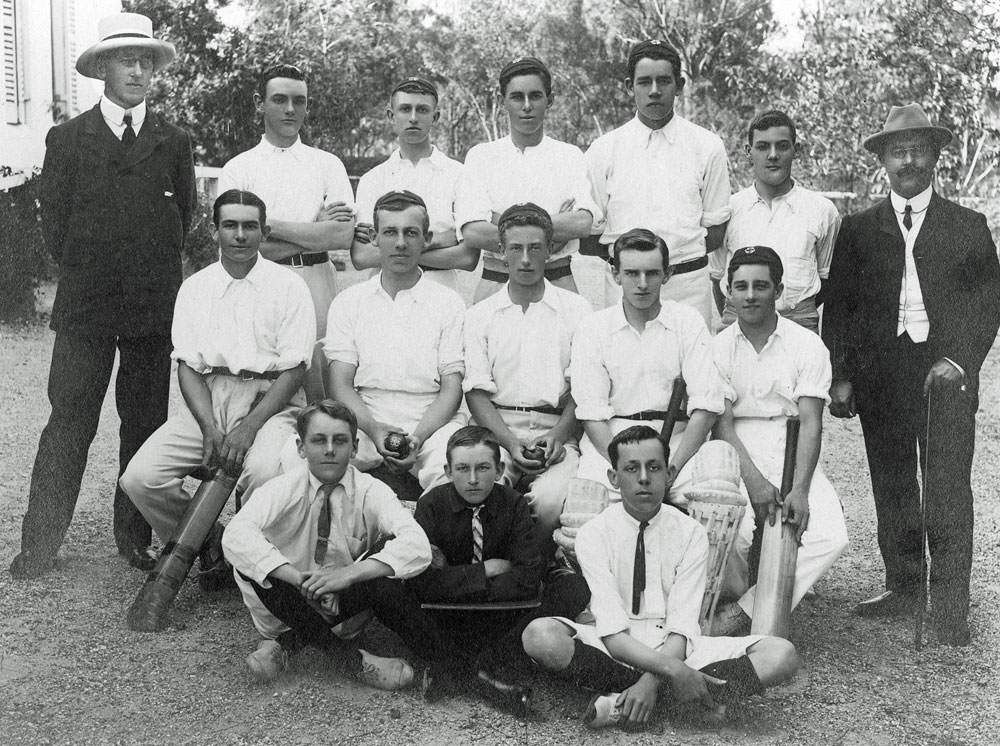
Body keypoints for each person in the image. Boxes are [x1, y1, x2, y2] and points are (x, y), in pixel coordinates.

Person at [10, 13, 197, 579]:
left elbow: (181, 220)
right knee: (69, 420)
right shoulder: (68, 139)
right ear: (102, 70)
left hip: (150, 307)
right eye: (125, 60)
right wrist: (96, 267)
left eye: (146, 61)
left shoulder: (174, 141)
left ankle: (133, 539)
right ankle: (40, 545)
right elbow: (56, 225)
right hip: (87, 307)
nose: (138, 70)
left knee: (143, 422)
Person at [822, 104, 1000, 646]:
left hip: (943, 375)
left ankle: (949, 606)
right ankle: (903, 586)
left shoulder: (967, 226)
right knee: (893, 484)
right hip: (882, 375)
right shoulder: (857, 229)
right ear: (883, 161)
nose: (909, 161)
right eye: (898, 152)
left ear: (935, 156)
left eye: (919, 150)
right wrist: (842, 375)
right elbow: (842, 306)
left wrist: (959, 361)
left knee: (947, 487)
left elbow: (988, 301)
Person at [521, 427, 799, 728]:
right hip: (616, 647)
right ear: (614, 478)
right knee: (540, 635)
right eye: (631, 468)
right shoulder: (594, 534)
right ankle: (688, 704)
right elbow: (613, 634)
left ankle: (625, 701)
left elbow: (682, 626)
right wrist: (673, 673)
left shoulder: (690, 531)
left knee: (781, 653)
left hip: (678, 648)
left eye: (653, 467)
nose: (643, 478)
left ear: (668, 474)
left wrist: (654, 679)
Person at [120, 190, 314, 590]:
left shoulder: (289, 286)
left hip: (272, 403)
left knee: (262, 472)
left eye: (249, 226)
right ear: (214, 231)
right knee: (140, 477)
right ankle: (213, 546)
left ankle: (262, 572)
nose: (239, 235)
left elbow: (295, 370)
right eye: (230, 225)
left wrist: (248, 429)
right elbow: (188, 366)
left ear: (264, 232)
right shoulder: (196, 287)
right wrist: (209, 427)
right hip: (211, 398)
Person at [222, 400, 431, 690]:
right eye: (319, 440)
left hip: (344, 608)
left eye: (340, 440)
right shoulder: (281, 488)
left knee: (390, 553)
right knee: (253, 559)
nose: (330, 449)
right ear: (300, 448)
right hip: (283, 608)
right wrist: (299, 580)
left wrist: (342, 578)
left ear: (355, 447)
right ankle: (355, 663)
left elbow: (419, 547)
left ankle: (286, 647)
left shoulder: (372, 490)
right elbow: (234, 536)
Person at [710, 247, 849, 635]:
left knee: (828, 536)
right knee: (731, 533)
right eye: (741, 287)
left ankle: (747, 611)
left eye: (760, 286)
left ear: (779, 291)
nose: (750, 295)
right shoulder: (716, 347)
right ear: (728, 292)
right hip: (733, 443)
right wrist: (753, 481)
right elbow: (720, 424)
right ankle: (723, 599)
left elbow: (810, 421)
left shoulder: (806, 344)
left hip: (789, 440)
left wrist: (801, 489)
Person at [409, 426, 591, 710]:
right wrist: (486, 570)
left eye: (482, 468)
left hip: (499, 616)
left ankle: (462, 668)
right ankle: (486, 671)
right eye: (462, 469)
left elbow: (528, 577)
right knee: (399, 590)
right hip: (448, 617)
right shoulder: (430, 506)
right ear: (447, 471)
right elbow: (422, 583)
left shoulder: (514, 503)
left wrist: (457, 582)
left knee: (572, 588)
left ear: (499, 469)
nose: (472, 480)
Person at [220, 63, 355, 402]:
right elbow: (238, 249)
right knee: (264, 382)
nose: (291, 109)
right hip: (260, 284)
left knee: (322, 389)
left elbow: (340, 237)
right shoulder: (238, 168)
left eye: (300, 101)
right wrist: (315, 227)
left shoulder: (327, 164)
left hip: (317, 283)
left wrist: (266, 227)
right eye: (280, 99)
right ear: (259, 103)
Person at [463, 203, 593, 542]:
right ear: (501, 251)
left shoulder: (578, 310)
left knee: (550, 502)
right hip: (496, 432)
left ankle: (541, 570)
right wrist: (508, 441)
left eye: (535, 248)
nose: (525, 259)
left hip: (556, 431)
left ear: (550, 250)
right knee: (478, 487)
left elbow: (584, 388)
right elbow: (475, 391)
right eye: (516, 248)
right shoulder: (480, 315)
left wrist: (558, 437)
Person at [324, 191, 467, 493]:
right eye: (390, 232)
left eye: (411, 233)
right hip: (364, 416)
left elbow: (451, 389)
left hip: (430, 419)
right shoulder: (349, 302)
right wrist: (374, 430)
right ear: (374, 238)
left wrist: (418, 437)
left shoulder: (449, 302)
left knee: (456, 468)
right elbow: (340, 386)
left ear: (426, 238)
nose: (400, 243)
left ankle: (432, 541)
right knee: (298, 458)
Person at [570, 229, 725, 504]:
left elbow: (706, 406)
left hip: (677, 445)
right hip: (613, 444)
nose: (642, 283)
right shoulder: (594, 328)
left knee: (720, 511)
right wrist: (625, 466)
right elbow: (591, 414)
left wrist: (671, 468)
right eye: (631, 273)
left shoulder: (687, 322)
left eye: (652, 273)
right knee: (584, 518)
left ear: (667, 274)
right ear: (615, 274)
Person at [584, 40, 731, 324]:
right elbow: (589, 237)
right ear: (630, 85)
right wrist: (631, 265)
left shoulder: (707, 145)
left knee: (687, 368)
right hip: (622, 290)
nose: (654, 91)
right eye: (644, 81)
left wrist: (674, 262)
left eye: (664, 81)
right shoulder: (603, 150)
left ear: (680, 85)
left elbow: (716, 230)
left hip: (687, 287)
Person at [455, 57, 595, 302]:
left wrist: (500, 219)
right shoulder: (481, 156)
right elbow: (474, 232)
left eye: (536, 96)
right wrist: (554, 231)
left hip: (558, 282)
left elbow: (582, 223)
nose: (527, 105)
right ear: (502, 102)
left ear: (549, 100)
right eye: (517, 97)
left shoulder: (570, 155)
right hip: (495, 285)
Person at [709, 110, 841, 332]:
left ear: (795, 150)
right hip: (738, 326)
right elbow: (718, 278)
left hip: (799, 324)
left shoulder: (821, 210)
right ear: (749, 152)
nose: (772, 155)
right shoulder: (728, 211)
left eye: (782, 146)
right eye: (762, 147)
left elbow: (826, 279)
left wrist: (793, 315)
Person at [352, 77, 478, 292]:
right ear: (391, 116)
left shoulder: (460, 174)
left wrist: (393, 248)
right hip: (385, 295)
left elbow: (467, 258)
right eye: (404, 109)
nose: (413, 118)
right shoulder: (373, 179)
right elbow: (362, 257)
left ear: (435, 116)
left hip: (440, 293)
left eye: (422, 110)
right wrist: (440, 239)